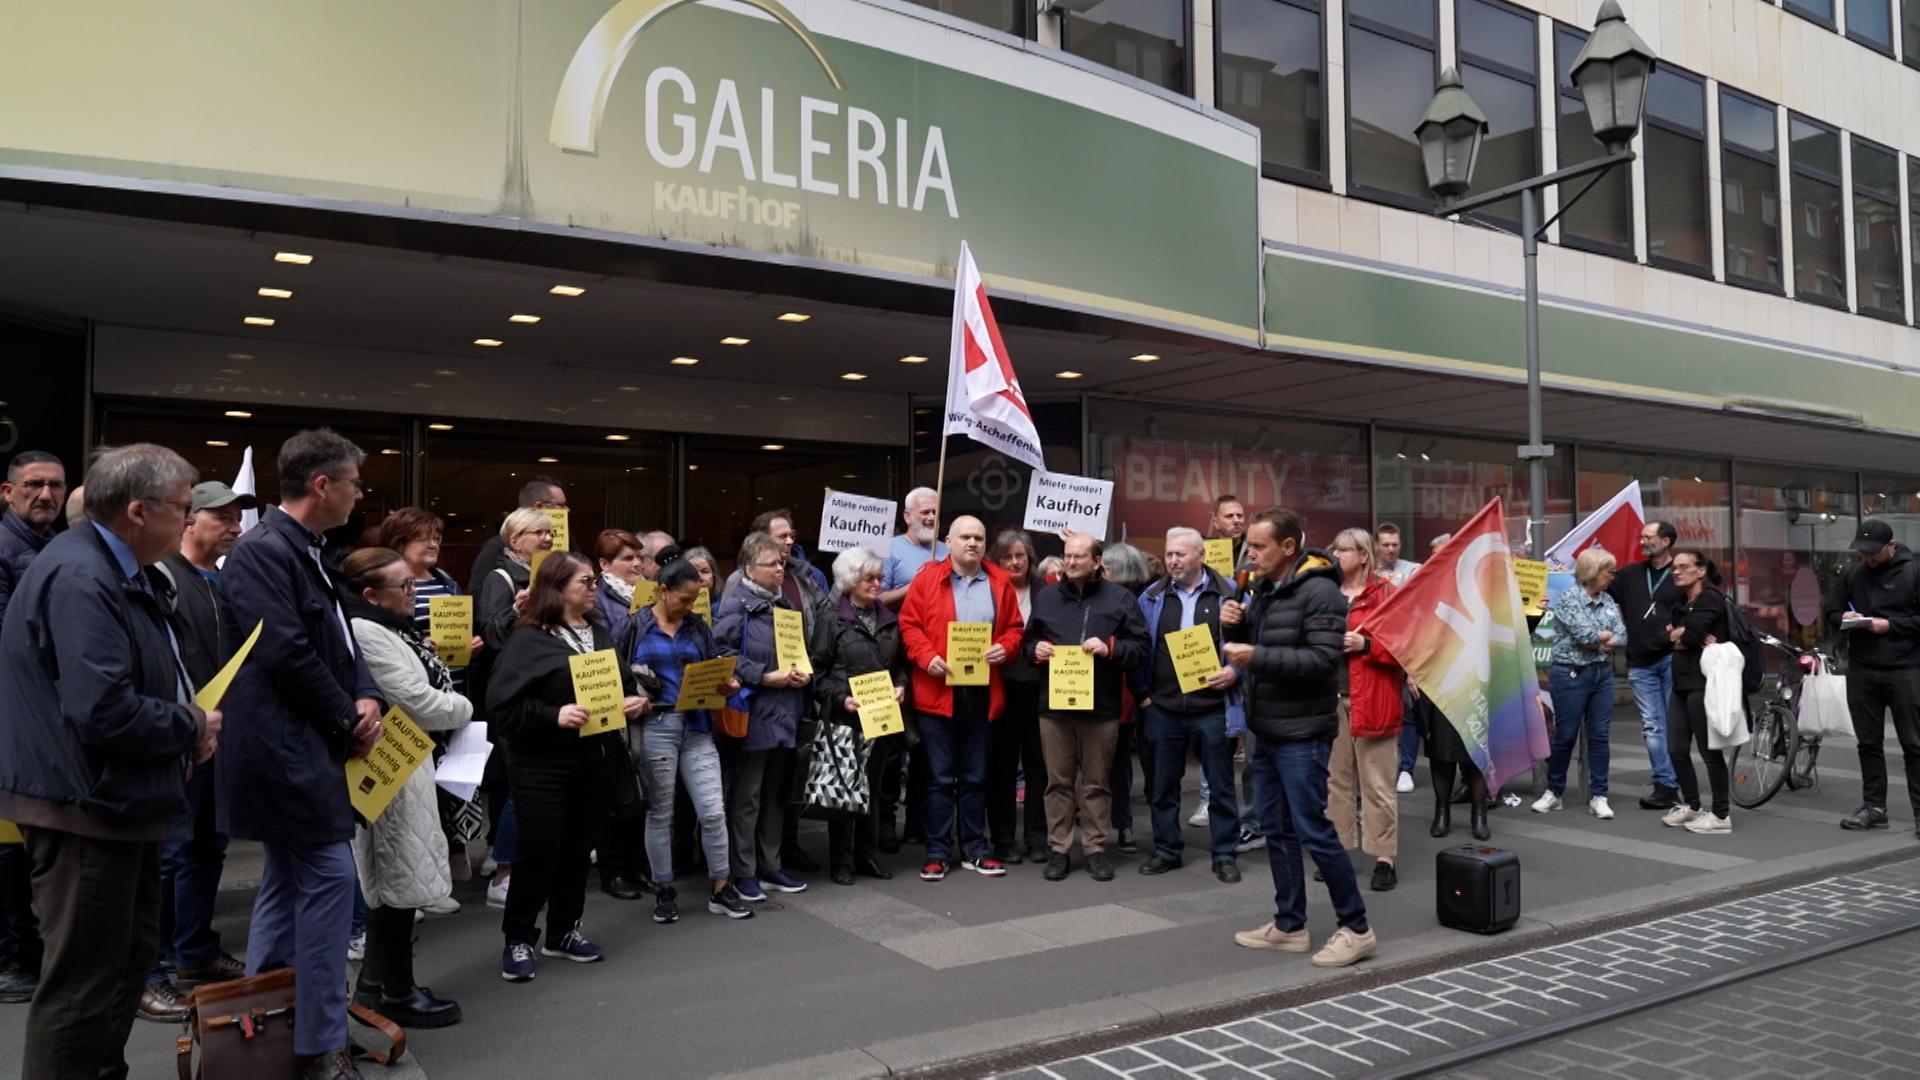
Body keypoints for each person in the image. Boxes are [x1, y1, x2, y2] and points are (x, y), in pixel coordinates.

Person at [0, 444, 217, 1077]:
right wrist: (190, 723)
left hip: (114, 802)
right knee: (83, 987)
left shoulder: (111, 568)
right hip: (87, 807)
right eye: (182, 508)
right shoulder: (83, 575)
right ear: (136, 511)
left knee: (118, 970)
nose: (189, 520)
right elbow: (103, 709)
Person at [218, 428, 383, 1080]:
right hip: (285, 750)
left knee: (289, 885)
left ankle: (261, 1030)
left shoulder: (303, 548)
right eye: (354, 482)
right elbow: (285, 651)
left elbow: (341, 641)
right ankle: (317, 1045)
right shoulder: (266, 552)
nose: (359, 494)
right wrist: (349, 717)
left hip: (301, 743)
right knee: (329, 885)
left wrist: (364, 695)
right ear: (323, 485)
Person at [1222, 507, 1374, 968]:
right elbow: (1265, 645)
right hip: (1267, 727)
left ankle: (1357, 927)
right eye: (1249, 544)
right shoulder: (1264, 588)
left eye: (1259, 546)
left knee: (1313, 829)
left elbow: (1323, 662)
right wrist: (1234, 624)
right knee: (1277, 829)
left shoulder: (1322, 592)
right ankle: (1290, 925)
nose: (1250, 553)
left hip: (1303, 732)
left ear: (1288, 547)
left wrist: (1256, 655)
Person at [488, 551, 646, 981]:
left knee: (578, 850)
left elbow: (624, 683)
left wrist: (636, 701)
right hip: (541, 763)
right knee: (539, 849)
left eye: (595, 581)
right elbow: (503, 707)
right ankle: (518, 938)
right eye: (586, 581)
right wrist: (551, 715)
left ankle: (563, 930)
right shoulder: (529, 638)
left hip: (594, 759)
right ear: (557, 588)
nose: (595, 587)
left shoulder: (599, 633)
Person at [139, 481, 255, 1022]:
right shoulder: (164, 576)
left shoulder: (226, 580)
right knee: (169, 854)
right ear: (191, 522)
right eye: (223, 516)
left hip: (220, 732)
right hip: (180, 731)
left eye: (239, 516)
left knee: (209, 844)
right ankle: (153, 967)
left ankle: (195, 952)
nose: (235, 525)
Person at [340, 548, 465, 1028]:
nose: (416, 593)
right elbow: (417, 700)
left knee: (400, 878)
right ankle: (395, 992)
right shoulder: (366, 631)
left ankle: (380, 985)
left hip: (408, 759)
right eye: (406, 587)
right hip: (390, 762)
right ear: (371, 594)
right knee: (396, 881)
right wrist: (464, 708)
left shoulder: (391, 628)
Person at [898, 515, 1023, 881]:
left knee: (974, 776)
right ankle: (937, 852)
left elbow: (1015, 628)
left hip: (983, 693)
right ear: (948, 541)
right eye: (965, 537)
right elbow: (909, 626)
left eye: (979, 538)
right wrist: (927, 658)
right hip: (937, 693)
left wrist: (1006, 647)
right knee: (939, 778)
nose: (973, 543)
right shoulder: (926, 579)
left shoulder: (1000, 582)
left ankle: (975, 850)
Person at [630, 558, 754, 922]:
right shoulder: (636, 626)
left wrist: (729, 685)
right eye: (684, 598)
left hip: (698, 725)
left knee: (713, 811)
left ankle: (721, 887)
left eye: (696, 598)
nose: (690, 606)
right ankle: (664, 889)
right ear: (663, 591)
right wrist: (631, 695)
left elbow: (715, 663)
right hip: (657, 725)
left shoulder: (698, 627)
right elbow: (619, 672)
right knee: (661, 813)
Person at [1025, 534, 1150, 883]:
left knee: (1097, 783)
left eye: (1080, 556)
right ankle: (1059, 849)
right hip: (1055, 704)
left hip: (1101, 705)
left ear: (1097, 562)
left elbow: (1141, 647)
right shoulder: (1047, 597)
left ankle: (1096, 848)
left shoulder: (1120, 599)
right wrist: (1036, 651)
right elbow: (1028, 641)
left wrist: (1111, 647)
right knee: (1058, 782)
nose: (1072, 562)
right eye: (1067, 556)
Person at [1133, 527, 1243, 883]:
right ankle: (1167, 849)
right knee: (1162, 785)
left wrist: (1234, 672)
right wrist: (1144, 695)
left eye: (1181, 554)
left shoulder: (1230, 593)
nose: (1173, 560)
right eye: (1169, 554)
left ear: (1202, 556)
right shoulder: (1151, 596)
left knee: (1221, 785)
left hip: (1212, 706)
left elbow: (1251, 641)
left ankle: (1225, 853)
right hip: (1163, 707)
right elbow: (1137, 646)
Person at [714, 531, 816, 900]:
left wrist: (802, 672)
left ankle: (770, 865)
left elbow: (797, 650)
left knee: (776, 793)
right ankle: (744, 870)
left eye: (782, 563)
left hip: (786, 708)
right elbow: (720, 653)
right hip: (755, 710)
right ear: (749, 569)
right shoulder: (735, 605)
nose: (780, 569)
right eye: (772, 564)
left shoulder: (785, 605)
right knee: (748, 795)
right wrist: (762, 675)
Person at [0, 449, 65, 1006]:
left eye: (55, 486)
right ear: (8, 492)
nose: (45, 494)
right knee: (5, 844)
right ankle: (8, 959)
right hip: (9, 716)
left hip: (31, 718)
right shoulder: (5, 549)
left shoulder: (48, 548)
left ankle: (23, 951)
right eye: (34, 485)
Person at [473, 507, 556, 907]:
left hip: (548, 689)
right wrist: (517, 611)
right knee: (520, 781)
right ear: (514, 540)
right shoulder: (500, 578)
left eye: (550, 532)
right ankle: (504, 865)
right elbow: (491, 632)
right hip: (517, 693)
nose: (547, 539)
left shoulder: (551, 577)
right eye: (538, 532)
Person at [1822, 519, 1920, 836]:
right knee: (1868, 743)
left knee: (1914, 744)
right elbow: (1832, 612)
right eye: (1862, 553)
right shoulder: (1854, 573)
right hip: (1862, 668)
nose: (1867, 559)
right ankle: (1875, 808)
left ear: (1890, 546)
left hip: (1906, 668)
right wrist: (1844, 617)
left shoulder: (1913, 572)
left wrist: (1890, 625)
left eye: (1873, 553)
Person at [814, 548, 905, 884]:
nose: (878, 583)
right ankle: (840, 860)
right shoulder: (832, 618)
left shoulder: (888, 617)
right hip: (846, 717)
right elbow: (816, 672)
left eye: (880, 577)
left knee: (874, 787)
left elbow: (901, 667)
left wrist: (901, 686)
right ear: (850, 580)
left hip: (882, 715)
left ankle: (868, 855)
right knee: (844, 789)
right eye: (870, 578)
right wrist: (841, 699)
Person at [1328, 528, 1405, 893]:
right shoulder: (1326, 594)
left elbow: (1406, 649)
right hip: (1330, 699)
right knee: (1337, 783)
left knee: (1377, 784)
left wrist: (1366, 644)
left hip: (1373, 698)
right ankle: (1339, 852)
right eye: (1335, 549)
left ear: (1362, 555)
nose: (1337, 555)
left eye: (1344, 550)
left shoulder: (1385, 594)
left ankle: (1384, 858)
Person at [1535, 548, 1626, 821]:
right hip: (1570, 674)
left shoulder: (1608, 599)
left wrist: (1603, 637)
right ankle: (1554, 792)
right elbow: (1585, 636)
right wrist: (1603, 637)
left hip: (1601, 674)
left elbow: (1622, 635)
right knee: (1566, 735)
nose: (1612, 576)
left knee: (1599, 736)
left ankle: (1599, 795)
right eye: (1608, 570)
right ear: (1593, 572)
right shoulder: (1568, 600)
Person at [1607, 521, 1685, 811]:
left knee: (1673, 723)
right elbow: (1598, 586)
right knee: (1653, 726)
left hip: (1671, 658)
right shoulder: (1630, 573)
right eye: (1641, 537)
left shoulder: (1680, 572)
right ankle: (1666, 784)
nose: (1643, 541)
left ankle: (1677, 779)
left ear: (1666, 541)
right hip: (1640, 662)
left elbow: (1700, 602)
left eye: (1648, 537)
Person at [1660, 551, 1734, 835]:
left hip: (1704, 683)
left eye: (1683, 567)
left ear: (1700, 570)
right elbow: (1664, 637)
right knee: (1676, 749)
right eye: (1674, 568)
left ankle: (1720, 814)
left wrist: (1682, 634)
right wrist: (1679, 635)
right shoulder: (1681, 601)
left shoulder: (1711, 598)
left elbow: (1690, 637)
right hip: (1681, 683)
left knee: (1709, 750)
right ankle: (1692, 805)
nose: (1676, 572)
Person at [986, 530, 1047, 864]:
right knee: (1002, 768)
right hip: (1002, 686)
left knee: (1039, 767)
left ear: (1030, 558)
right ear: (997, 560)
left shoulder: (1046, 592)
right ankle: (1003, 840)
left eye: (1020, 556)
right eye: (1007, 556)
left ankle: (1038, 838)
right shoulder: (990, 590)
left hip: (1038, 689)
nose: (1014, 562)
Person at [1099, 541, 1154, 856]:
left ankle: (1122, 823)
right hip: (1104, 692)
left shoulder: (1131, 601)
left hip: (1123, 694)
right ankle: (1118, 824)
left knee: (1119, 764)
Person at [467, 476, 566, 592]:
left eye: (550, 533)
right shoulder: (496, 548)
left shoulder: (566, 542)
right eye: (561, 505)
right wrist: (518, 607)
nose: (566, 510)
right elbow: (479, 596)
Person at [721, 509, 830, 607]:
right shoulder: (737, 580)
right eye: (783, 536)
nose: (790, 541)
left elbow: (826, 620)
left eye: (791, 535)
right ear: (763, 539)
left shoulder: (811, 576)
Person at [882, 486, 946, 610]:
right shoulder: (889, 548)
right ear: (907, 516)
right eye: (925, 512)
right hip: (903, 626)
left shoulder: (948, 550)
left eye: (935, 512)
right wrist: (917, 584)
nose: (932, 517)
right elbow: (877, 600)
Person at [1374, 523, 1420, 587]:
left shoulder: (1411, 570)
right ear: (1376, 546)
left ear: (1400, 545)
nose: (1391, 549)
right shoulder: (1367, 570)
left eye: (1395, 545)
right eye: (1386, 545)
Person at [1208, 495, 1247, 567]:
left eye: (1239, 515)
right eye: (1229, 516)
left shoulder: (1253, 549)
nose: (1236, 520)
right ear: (1216, 523)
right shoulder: (1207, 550)